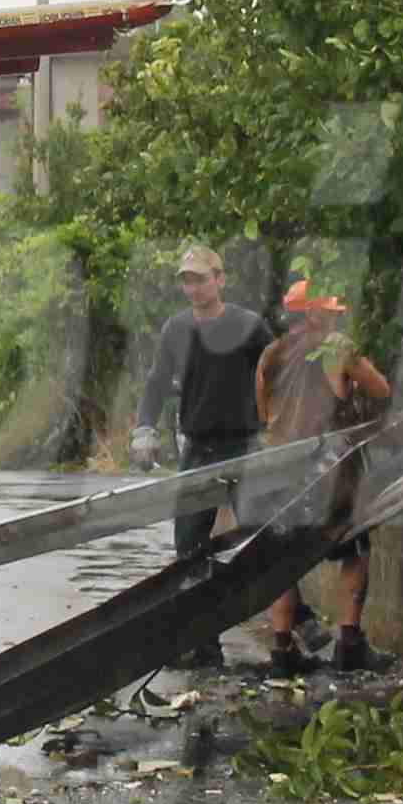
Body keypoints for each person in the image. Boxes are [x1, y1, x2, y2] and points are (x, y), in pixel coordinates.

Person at [129, 243, 277, 668]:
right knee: (190, 552)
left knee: (266, 539)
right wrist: (144, 427)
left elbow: (277, 371)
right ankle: (205, 646)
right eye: (187, 280)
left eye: (200, 278)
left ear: (220, 279)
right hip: (197, 450)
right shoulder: (176, 329)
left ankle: (293, 628)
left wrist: (279, 424)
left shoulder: (249, 325)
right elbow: (157, 383)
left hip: (245, 447)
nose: (193, 287)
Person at [253, 283, 390, 676]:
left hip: (279, 468)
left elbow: (263, 413)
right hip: (332, 469)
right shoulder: (336, 347)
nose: (335, 316)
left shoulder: (270, 354)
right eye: (329, 311)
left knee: (283, 557)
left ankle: (282, 650)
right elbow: (381, 389)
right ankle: (349, 642)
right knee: (356, 548)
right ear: (312, 314)